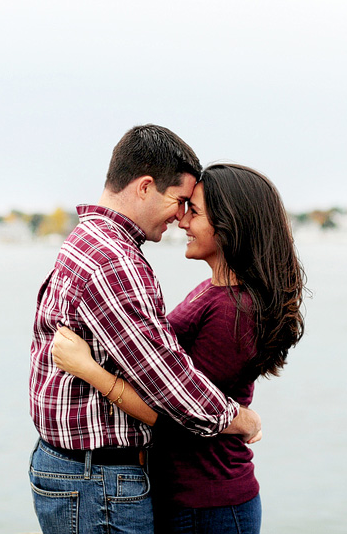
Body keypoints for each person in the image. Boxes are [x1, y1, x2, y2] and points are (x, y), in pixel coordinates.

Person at [29, 126, 262, 534]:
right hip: (97, 479)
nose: (180, 216)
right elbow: (169, 384)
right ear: (145, 187)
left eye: (192, 207)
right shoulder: (114, 261)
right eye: (179, 200)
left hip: (82, 474)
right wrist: (240, 420)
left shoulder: (89, 239)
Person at [52, 163, 306, 534]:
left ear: (229, 224)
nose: (182, 220)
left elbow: (178, 416)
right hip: (187, 498)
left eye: (195, 211)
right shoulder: (214, 290)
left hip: (209, 504)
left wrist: (88, 369)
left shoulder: (234, 310)